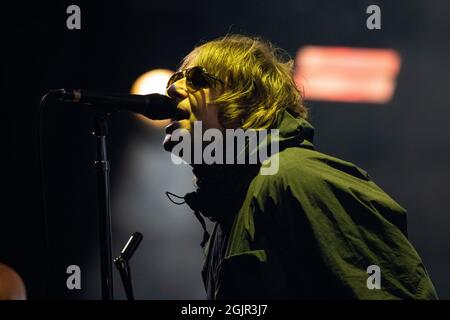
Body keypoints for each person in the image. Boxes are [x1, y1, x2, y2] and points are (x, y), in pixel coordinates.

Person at [163, 34, 438, 299]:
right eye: (175, 79)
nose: (173, 89)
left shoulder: (296, 179)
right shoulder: (228, 218)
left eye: (197, 79)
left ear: (247, 100)